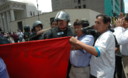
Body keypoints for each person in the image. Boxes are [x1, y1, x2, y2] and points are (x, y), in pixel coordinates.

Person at [40, 11, 74, 78]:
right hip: (55, 61)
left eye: (62, 20)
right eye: (58, 21)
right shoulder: (51, 32)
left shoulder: (72, 31)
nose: (60, 22)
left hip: (69, 62)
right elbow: (41, 44)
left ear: (67, 21)